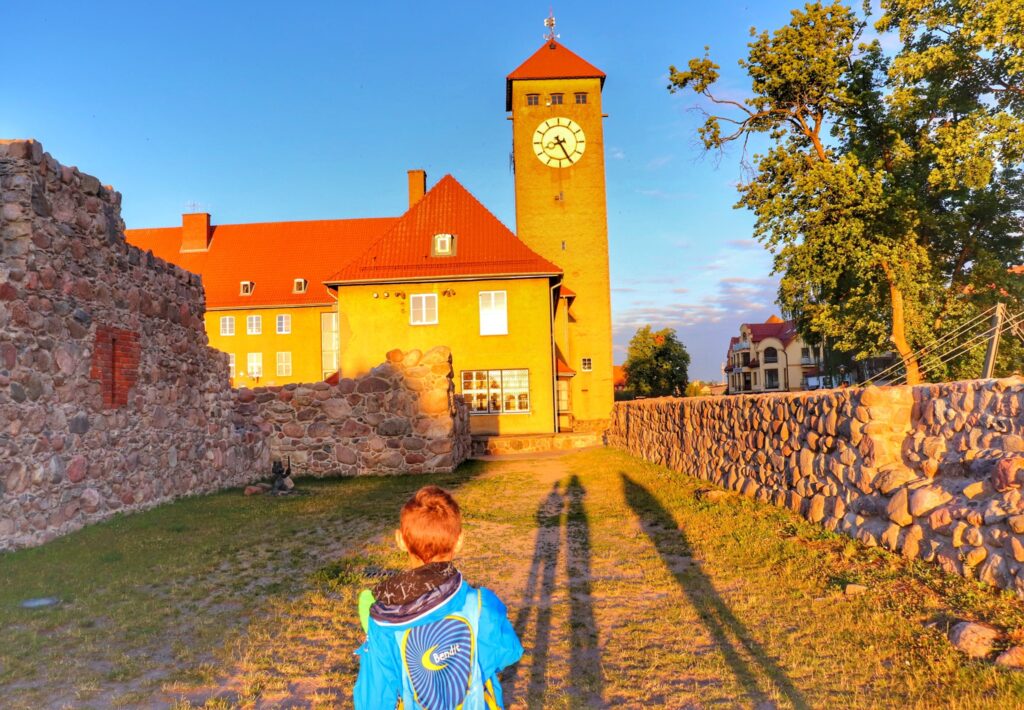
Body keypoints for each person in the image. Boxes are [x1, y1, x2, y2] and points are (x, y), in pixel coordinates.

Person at [354, 485, 523, 709]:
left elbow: (373, 699)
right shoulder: (483, 605)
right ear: (459, 541)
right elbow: (507, 651)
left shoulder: (384, 622)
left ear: (400, 540)